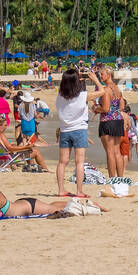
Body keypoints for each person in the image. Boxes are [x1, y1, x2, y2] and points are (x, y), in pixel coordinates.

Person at [55, 67, 103, 199]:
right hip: (80, 130)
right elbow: (102, 92)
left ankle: (60, 190)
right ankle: (79, 191)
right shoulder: (83, 96)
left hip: (65, 130)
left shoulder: (60, 96)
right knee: (79, 162)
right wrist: (95, 80)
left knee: (62, 162)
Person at [0, 172, 95, 218]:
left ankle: (81, 203)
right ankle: (75, 202)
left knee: (54, 208)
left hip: (29, 207)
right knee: (51, 206)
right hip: (21, 204)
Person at [94, 65, 127, 178]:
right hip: (118, 120)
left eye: (102, 74)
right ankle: (120, 178)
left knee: (109, 152)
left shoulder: (106, 90)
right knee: (117, 152)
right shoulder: (117, 88)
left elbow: (105, 108)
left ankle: (112, 178)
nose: (100, 75)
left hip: (107, 121)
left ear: (108, 75)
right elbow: (122, 106)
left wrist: (96, 109)